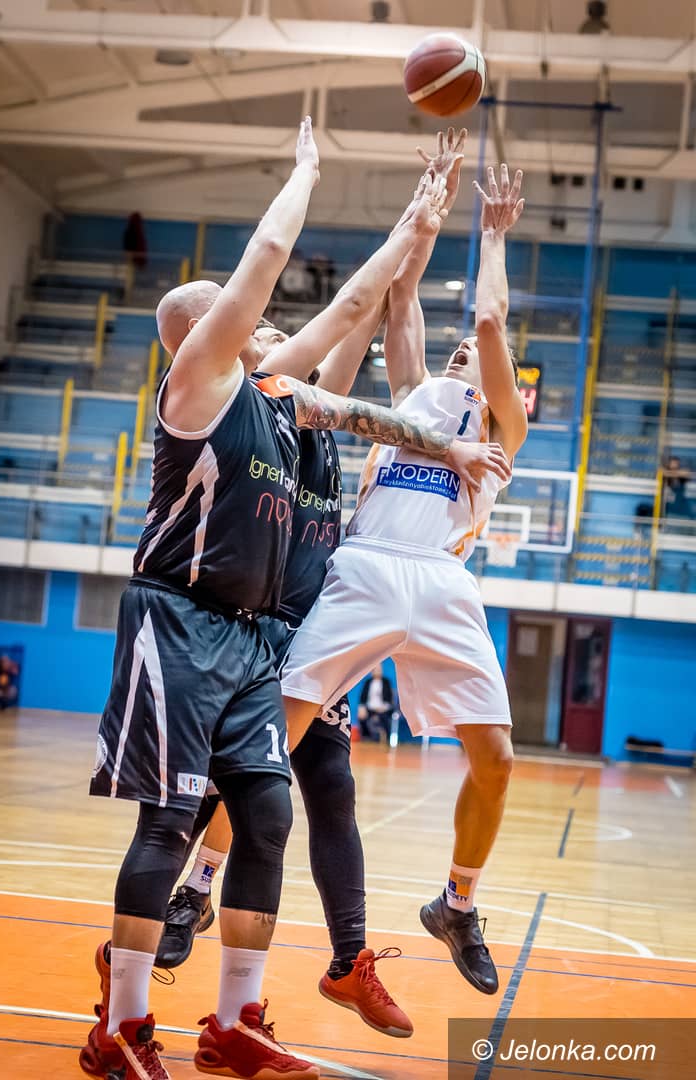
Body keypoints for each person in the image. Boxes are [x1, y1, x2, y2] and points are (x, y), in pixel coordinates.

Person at [81, 118, 486, 1080]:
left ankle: (234, 1022)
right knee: (169, 822)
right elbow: (269, 260)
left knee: (268, 816)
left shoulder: (283, 399)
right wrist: (305, 171)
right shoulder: (199, 384)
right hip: (180, 622)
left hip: (263, 639)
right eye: (256, 324)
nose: (272, 330)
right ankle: (123, 1026)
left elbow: (352, 314)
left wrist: (418, 221)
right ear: (212, 333)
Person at [280, 145, 527, 999]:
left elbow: (488, 323)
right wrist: (431, 205)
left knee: (496, 759)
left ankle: (457, 904)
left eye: (476, 355)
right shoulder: (413, 395)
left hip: (442, 578)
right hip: (367, 565)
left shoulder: (502, 423)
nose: (463, 350)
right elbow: (403, 296)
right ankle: (198, 886)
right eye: (454, 350)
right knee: (274, 734)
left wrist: (492, 235)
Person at [357, 664, 396, 742]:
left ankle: (387, 739)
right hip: (370, 708)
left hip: (383, 708)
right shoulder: (368, 682)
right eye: (375, 670)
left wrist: (384, 707)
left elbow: (390, 698)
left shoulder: (386, 682)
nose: (378, 671)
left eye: (379, 669)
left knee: (385, 718)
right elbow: (363, 697)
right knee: (361, 715)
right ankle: (366, 737)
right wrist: (361, 707)